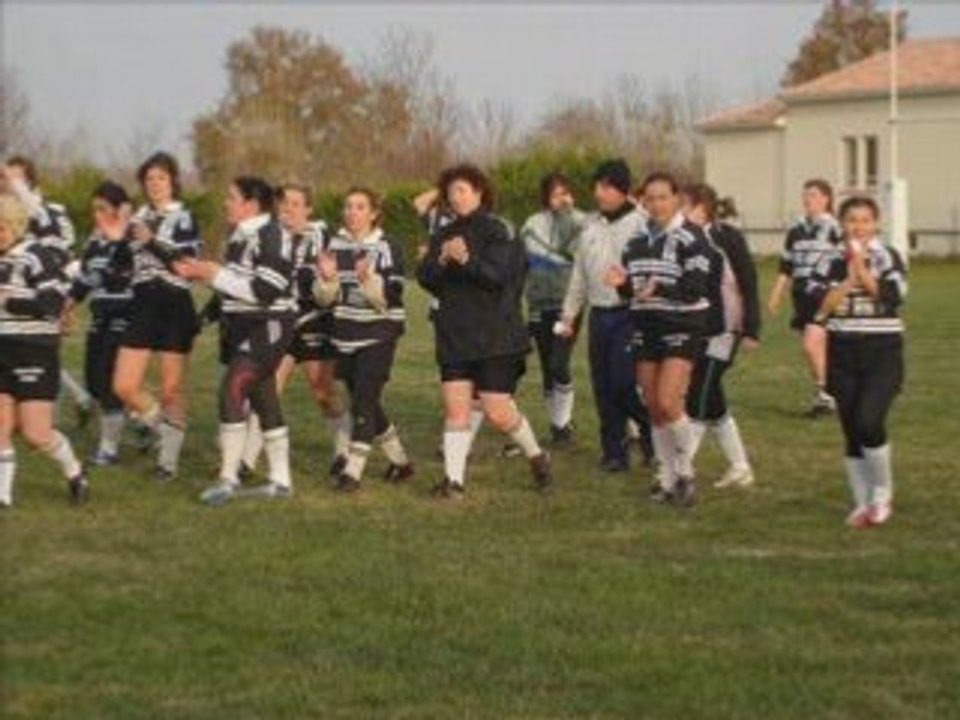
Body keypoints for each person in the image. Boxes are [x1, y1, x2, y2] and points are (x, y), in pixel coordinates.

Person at [417, 163, 552, 498]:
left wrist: (465, 261)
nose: (455, 197)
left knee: (497, 411)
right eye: (450, 193)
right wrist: (442, 261)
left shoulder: (498, 230)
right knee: (456, 409)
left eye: (462, 190)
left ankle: (537, 456)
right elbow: (425, 278)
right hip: (454, 334)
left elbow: (498, 277)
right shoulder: (442, 234)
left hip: (495, 335)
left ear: (479, 192)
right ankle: (454, 482)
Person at [176, 176, 297, 506]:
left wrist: (213, 273)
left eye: (231, 197)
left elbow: (265, 290)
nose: (226, 202)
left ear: (251, 204)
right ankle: (281, 480)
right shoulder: (240, 236)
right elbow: (232, 286)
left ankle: (227, 479)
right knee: (264, 396)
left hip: (268, 325)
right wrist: (204, 309)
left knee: (232, 388)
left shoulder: (272, 235)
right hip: (245, 327)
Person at [607, 171, 712, 508]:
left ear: (676, 198)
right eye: (649, 198)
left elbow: (695, 289)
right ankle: (665, 479)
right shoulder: (636, 241)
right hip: (646, 326)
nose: (655, 204)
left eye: (662, 197)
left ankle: (686, 471)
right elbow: (631, 291)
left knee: (669, 402)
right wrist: (621, 283)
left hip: (682, 324)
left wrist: (660, 288)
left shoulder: (692, 237)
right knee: (653, 408)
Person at [238, 183, 351, 480]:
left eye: (297, 203)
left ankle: (343, 452)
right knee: (267, 389)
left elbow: (333, 285)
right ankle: (246, 461)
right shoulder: (268, 236)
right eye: (284, 203)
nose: (289, 208)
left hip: (315, 321)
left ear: (309, 209)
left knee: (323, 391)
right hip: (279, 321)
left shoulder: (324, 237)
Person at [809, 196, 906, 528]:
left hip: (883, 351)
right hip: (842, 351)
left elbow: (892, 298)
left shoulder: (888, 255)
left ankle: (882, 492)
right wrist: (849, 278)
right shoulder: (828, 259)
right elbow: (821, 304)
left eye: (865, 220)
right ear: (842, 223)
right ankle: (862, 503)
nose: (859, 226)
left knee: (868, 421)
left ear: (876, 224)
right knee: (851, 431)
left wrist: (863, 269)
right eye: (852, 220)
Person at [314, 187, 413, 492]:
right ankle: (401, 463)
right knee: (366, 404)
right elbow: (324, 300)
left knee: (364, 401)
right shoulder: (334, 245)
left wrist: (369, 280)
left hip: (380, 333)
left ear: (373, 213)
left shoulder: (388, 246)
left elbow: (392, 297)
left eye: (359, 207)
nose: (352, 212)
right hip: (345, 335)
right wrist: (328, 280)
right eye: (348, 206)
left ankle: (352, 473)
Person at [559, 159, 652, 473]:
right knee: (603, 387)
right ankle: (614, 452)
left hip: (632, 314)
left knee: (623, 383)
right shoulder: (590, 225)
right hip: (600, 316)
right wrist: (569, 315)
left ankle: (652, 430)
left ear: (622, 190)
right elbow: (579, 276)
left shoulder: (643, 224)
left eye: (605, 186)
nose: (598, 192)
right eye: (597, 186)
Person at [113, 152, 201, 480]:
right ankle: (158, 426)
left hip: (174, 302)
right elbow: (121, 264)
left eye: (161, 178)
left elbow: (187, 263)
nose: (154, 184)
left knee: (171, 391)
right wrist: (122, 234)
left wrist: (151, 242)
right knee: (123, 385)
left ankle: (168, 462)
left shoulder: (184, 217)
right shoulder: (137, 216)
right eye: (149, 179)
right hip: (142, 302)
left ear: (173, 181)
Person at [0, 193, 88, 507]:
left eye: (1, 227)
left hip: (34, 350)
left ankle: (75, 471)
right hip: (3, 350)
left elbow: (51, 305)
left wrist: (10, 301)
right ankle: (4, 497)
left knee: (36, 434)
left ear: (15, 225)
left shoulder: (37, 255)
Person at [0, 156, 94, 426]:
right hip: (16, 292)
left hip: (46, 289)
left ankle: (73, 403)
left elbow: (62, 254)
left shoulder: (48, 211)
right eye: (6, 178)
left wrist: (65, 299)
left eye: (16, 178)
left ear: (29, 181)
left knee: (39, 350)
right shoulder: (7, 212)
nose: (8, 183)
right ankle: (76, 399)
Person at [681, 183, 761, 489]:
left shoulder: (727, 238)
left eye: (685, 205)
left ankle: (680, 468)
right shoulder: (683, 239)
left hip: (725, 330)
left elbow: (749, 282)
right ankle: (740, 467)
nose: (680, 212)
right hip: (696, 330)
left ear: (702, 207)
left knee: (699, 395)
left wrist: (752, 328)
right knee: (712, 399)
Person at [64, 181, 137, 465]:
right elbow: (85, 280)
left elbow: (121, 274)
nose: (97, 215)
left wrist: (120, 236)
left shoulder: (130, 239)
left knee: (108, 383)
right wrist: (67, 305)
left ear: (120, 211)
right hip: (100, 316)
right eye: (94, 209)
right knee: (94, 382)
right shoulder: (94, 243)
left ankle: (109, 450)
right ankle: (143, 420)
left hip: (125, 315)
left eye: (103, 209)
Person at [521, 171, 587, 445]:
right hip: (538, 305)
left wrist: (568, 213)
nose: (560, 197)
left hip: (567, 306)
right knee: (548, 367)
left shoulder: (580, 220)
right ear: (546, 196)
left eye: (565, 192)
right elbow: (522, 260)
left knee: (559, 362)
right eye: (555, 193)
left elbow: (580, 252)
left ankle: (561, 425)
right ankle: (559, 426)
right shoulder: (532, 223)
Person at [767, 179, 841, 417]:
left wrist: (836, 290)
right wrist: (776, 295)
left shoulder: (834, 228)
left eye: (812, 194)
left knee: (811, 345)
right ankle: (828, 395)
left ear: (825, 199)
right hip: (801, 297)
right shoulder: (796, 230)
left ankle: (826, 393)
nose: (807, 199)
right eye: (805, 195)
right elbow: (786, 266)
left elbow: (845, 261)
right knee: (819, 349)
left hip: (824, 295)